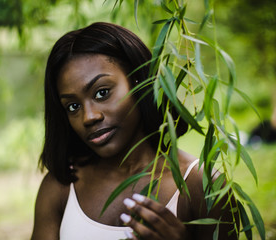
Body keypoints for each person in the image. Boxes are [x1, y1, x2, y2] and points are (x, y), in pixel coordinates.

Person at [31, 22, 238, 240]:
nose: (89, 117)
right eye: (73, 106)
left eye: (102, 93)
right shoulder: (62, 186)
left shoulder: (203, 188)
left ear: (140, 82)